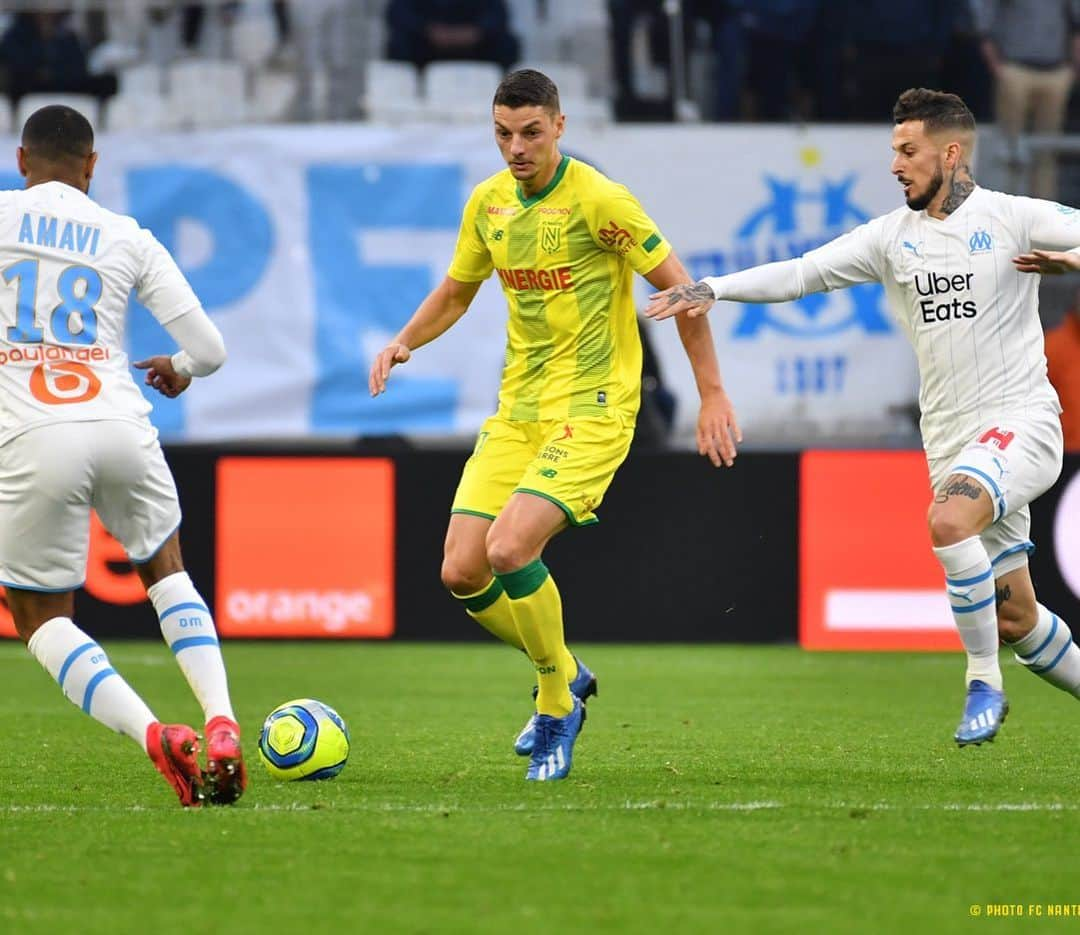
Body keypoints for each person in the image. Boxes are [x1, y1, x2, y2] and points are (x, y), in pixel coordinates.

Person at [647, 87, 1080, 747]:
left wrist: (1070, 259)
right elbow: (800, 274)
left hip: (1022, 422)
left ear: (952, 153)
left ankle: (982, 682)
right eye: (893, 151)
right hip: (951, 440)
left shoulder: (1014, 217)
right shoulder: (889, 239)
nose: (895, 164)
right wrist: (715, 287)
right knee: (1015, 613)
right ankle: (1009, 658)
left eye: (908, 151)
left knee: (947, 519)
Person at [370, 69, 740, 781]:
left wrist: (713, 394)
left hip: (593, 410)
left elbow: (686, 294)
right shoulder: (489, 203)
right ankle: (566, 668)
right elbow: (456, 290)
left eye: (531, 132)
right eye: (504, 134)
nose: (516, 147)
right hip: (518, 411)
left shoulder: (600, 201)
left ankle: (553, 704)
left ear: (560, 127)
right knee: (461, 568)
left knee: (511, 548)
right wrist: (405, 338)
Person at [0, 105, 243, 806]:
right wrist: (180, 369)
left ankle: (153, 734)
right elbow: (211, 350)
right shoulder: (124, 235)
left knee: (41, 617)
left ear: (21, 162)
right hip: (118, 421)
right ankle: (222, 719)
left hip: (34, 432)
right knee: (167, 572)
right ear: (92, 166)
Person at [975, 0, 1080, 200]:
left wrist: (1073, 70)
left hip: (1056, 71)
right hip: (1015, 67)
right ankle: (1008, 211)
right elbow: (985, 21)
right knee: (1010, 148)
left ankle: (1044, 213)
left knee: (1047, 150)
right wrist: (998, 66)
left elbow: (1076, 23)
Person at [385, 0, 520, 73]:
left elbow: (498, 15)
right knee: (399, 44)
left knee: (507, 44)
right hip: (427, 45)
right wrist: (428, 30)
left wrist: (475, 32)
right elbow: (397, 14)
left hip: (474, 46)